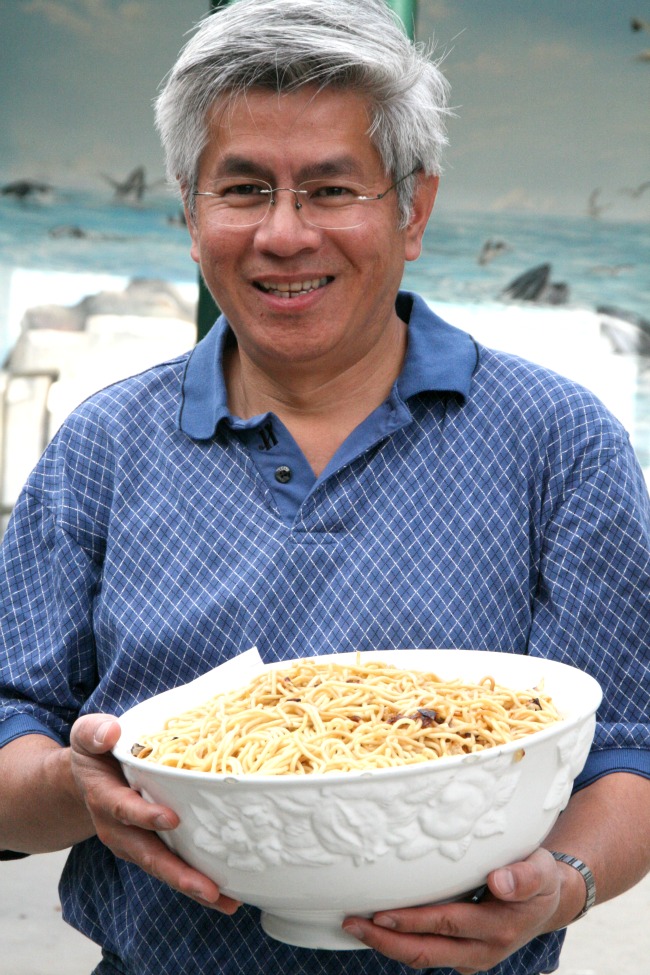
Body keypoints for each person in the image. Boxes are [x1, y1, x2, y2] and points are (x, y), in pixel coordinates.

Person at [1, 1, 648, 973]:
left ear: (413, 209)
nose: (283, 233)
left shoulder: (554, 444)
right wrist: (74, 787)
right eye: (243, 188)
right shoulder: (107, 443)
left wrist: (559, 884)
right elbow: (13, 725)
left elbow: (625, 753)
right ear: (189, 213)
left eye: (331, 188)